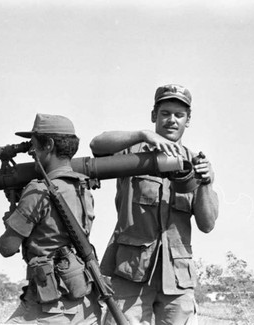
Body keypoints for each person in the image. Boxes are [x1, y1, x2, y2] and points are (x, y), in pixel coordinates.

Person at [90, 84, 219, 325]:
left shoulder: (195, 163)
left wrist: (206, 183)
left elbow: (207, 224)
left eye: (179, 115)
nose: (172, 120)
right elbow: (97, 145)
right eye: (165, 113)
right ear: (154, 116)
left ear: (188, 120)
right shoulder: (133, 153)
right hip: (131, 275)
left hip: (177, 281)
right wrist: (142, 135)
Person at [0, 113, 102, 324]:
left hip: (49, 308)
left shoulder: (38, 191)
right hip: (83, 303)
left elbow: (7, 248)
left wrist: (11, 219)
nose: (31, 151)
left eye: (34, 145)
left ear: (49, 146)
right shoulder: (83, 187)